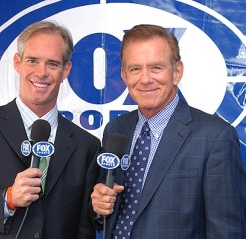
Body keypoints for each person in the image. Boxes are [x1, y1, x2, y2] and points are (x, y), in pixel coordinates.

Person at [0, 21, 101, 239]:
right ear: (18, 63)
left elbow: (84, 229)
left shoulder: (87, 146)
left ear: (66, 70)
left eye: (53, 64)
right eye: (32, 61)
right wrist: (7, 199)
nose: (41, 72)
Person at [91, 24, 246, 239]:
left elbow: (227, 232)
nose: (145, 79)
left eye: (156, 67)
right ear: (125, 75)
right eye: (135, 68)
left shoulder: (215, 138)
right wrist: (101, 206)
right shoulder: (116, 130)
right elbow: (113, 214)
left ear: (177, 72)